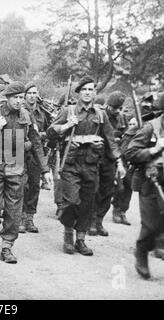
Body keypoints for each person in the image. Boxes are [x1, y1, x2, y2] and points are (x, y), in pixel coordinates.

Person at [46, 76, 122, 256]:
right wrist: (66, 126)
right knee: (71, 201)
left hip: (90, 164)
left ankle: (80, 240)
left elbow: (110, 140)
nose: (88, 93)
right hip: (70, 163)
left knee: (88, 203)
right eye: (85, 90)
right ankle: (68, 235)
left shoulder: (100, 114)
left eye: (91, 90)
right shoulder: (68, 111)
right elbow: (50, 133)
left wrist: (119, 162)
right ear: (79, 93)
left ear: (95, 93)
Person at [0, 81, 44, 263]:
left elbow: (36, 142)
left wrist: (45, 170)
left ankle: (7, 246)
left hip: (16, 168)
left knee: (14, 211)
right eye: (16, 98)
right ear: (8, 98)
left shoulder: (27, 116)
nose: (20, 101)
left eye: (22, 97)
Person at [124, 93, 164, 279]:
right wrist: (153, 150)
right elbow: (130, 152)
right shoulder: (150, 128)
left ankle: (157, 244)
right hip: (151, 181)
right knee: (150, 224)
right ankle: (141, 252)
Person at [89, 91, 127, 236]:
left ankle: (99, 220)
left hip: (111, 159)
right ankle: (91, 221)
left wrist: (120, 150)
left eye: (119, 108)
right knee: (94, 190)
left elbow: (125, 136)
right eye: (114, 108)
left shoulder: (121, 118)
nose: (116, 111)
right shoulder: (99, 115)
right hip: (96, 158)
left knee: (108, 191)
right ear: (108, 105)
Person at [20, 81, 52, 233]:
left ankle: (29, 218)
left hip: (37, 154)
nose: (32, 96)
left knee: (34, 186)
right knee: (22, 184)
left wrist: (43, 135)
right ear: (25, 96)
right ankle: (19, 216)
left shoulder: (43, 113)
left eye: (35, 93)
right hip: (22, 153)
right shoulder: (20, 110)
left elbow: (49, 131)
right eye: (30, 93)